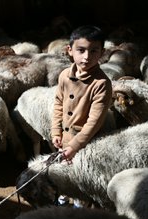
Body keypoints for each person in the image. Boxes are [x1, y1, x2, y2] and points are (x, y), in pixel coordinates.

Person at [51, 25, 113, 162]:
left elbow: (94, 122)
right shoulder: (64, 75)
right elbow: (58, 103)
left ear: (102, 52)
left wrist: (75, 145)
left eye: (93, 51)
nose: (86, 57)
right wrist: (56, 131)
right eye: (81, 50)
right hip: (64, 140)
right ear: (70, 50)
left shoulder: (101, 83)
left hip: (87, 144)